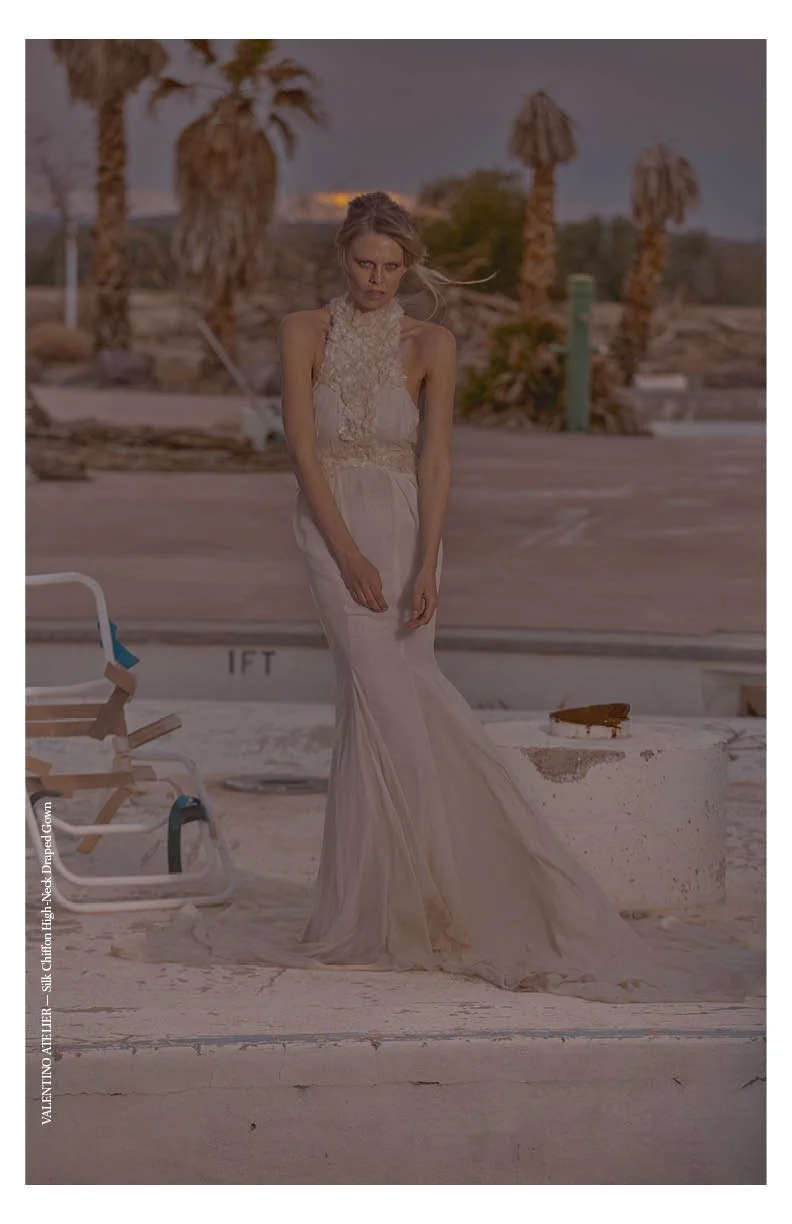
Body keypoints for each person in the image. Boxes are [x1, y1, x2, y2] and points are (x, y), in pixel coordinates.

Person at [112, 192, 762, 1003]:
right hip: (331, 531)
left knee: (382, 711)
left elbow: (438, 461)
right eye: (364, 264)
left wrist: (425, 567)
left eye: (392, 268)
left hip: (409, 534)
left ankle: (379, 911)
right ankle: (429, 901)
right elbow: (303, 453)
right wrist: (346, 550)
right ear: (340, 258)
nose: (378, 280)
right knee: (396, 713)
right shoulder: (303, 331)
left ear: (408, 268)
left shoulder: (433, 343)